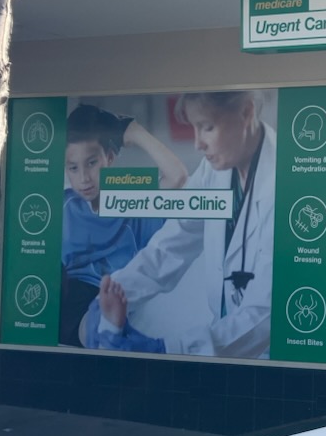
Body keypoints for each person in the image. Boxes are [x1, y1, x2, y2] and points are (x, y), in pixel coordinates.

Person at [83, 90, 276, 358]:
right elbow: (170, 245)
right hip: (222, 346)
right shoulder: (214, 171)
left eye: (207, 127)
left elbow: (266, 313)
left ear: (246, 112)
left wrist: (168, 349)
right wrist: (114, 293)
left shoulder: (283, 183)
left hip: (270, 358)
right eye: (194, 128)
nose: (198, 144)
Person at [58, 104, 187, 346]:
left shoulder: (133, 201)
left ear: (109, 158)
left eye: (92, 163)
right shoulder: (64, 205)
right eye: (73, 168)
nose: (84, 178)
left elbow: (177, 176)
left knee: (105, 310)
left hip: (115, 294)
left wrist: (134, 131)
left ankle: (105, 330)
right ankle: (103, 331)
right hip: (70, 297)